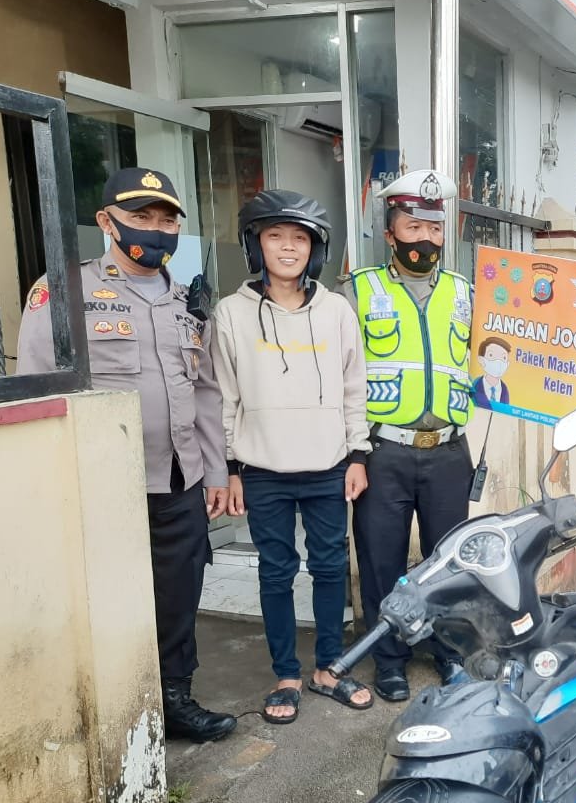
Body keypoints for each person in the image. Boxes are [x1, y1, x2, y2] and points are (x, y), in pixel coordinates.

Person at [16, 168, 235, 742]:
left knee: (179, 593)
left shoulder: (189, 301)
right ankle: (112, 712)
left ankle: (173, 699)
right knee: (104, 600)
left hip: (179, 479)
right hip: (100, 482)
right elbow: (38, 388)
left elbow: (205, 392)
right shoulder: (64, 290)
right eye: (141, 218)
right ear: (106, 222)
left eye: (167, 221)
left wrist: (215, 470)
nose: (156, 230)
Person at [212, 190, 373, 725]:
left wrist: (357, 453)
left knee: (329, 567)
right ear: (255, 245)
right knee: (276, 571)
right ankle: (286, 674)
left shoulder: (336, 311)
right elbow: (224, 395)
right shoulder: (231, 314)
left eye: (300, 238)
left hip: (328, 465)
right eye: (275, 236)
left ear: (315, 250)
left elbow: (356, 387)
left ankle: (329, 665)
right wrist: (231, 467)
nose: (287, 247)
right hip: (263, 472)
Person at [344, 168, 475, 701]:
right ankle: (391, 657)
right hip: (384, 451)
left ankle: (448, 651)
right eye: (413, 225)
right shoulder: (357, 291)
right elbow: (342, 378)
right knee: (382, 560)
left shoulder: (464, 292)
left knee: (449, 560)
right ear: (390, 230)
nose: (426, 237)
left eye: (435, 228)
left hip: (447, 451)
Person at [473, 335, 511, 409]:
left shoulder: (505, 390)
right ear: (481, 360)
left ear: (507, 364)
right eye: (491, 355)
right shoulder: (475, 385)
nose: (498, 361)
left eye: (504, 358)